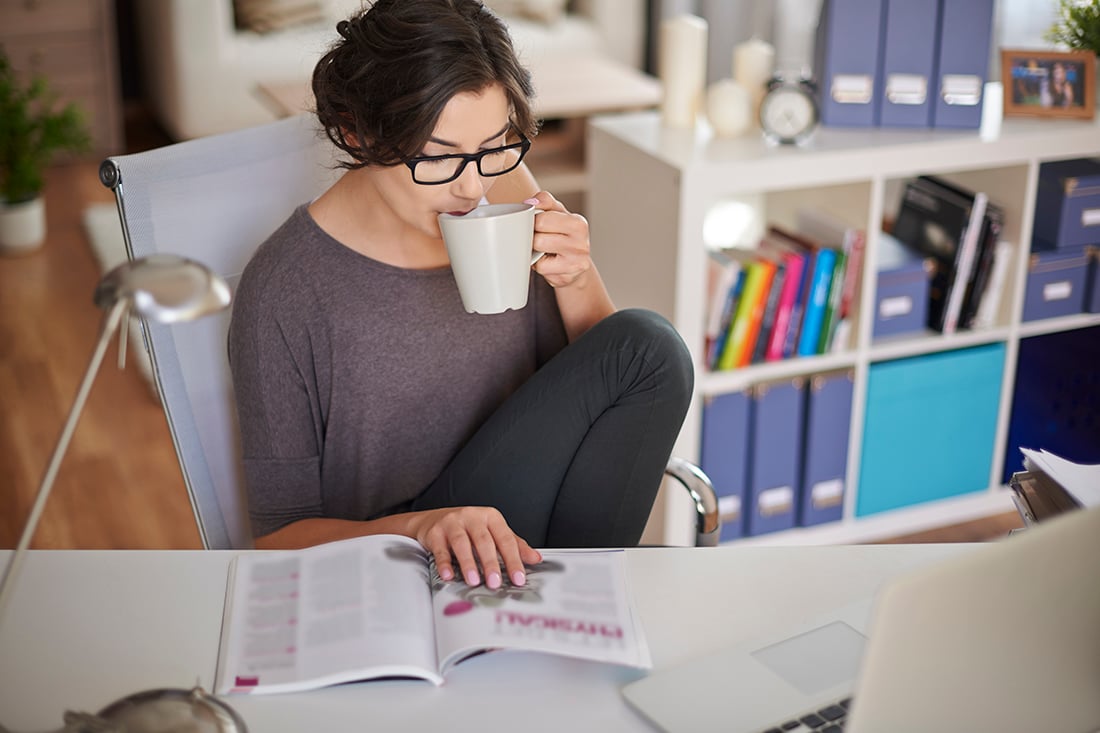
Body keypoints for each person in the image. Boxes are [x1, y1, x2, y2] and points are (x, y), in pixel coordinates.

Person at [228, 0, 693, 591]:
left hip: (529, 533)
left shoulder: (503, 193)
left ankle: (568, 605)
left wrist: (575, 277)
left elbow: (615, 385)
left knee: (649, 347)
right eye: (440, 157)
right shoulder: (286, 288)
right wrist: (423, 526)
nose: (473, 186)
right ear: (354, 129)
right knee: (646, 347)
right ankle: (574, 604)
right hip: (397, 561)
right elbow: (277, 539)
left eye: (494, 146)